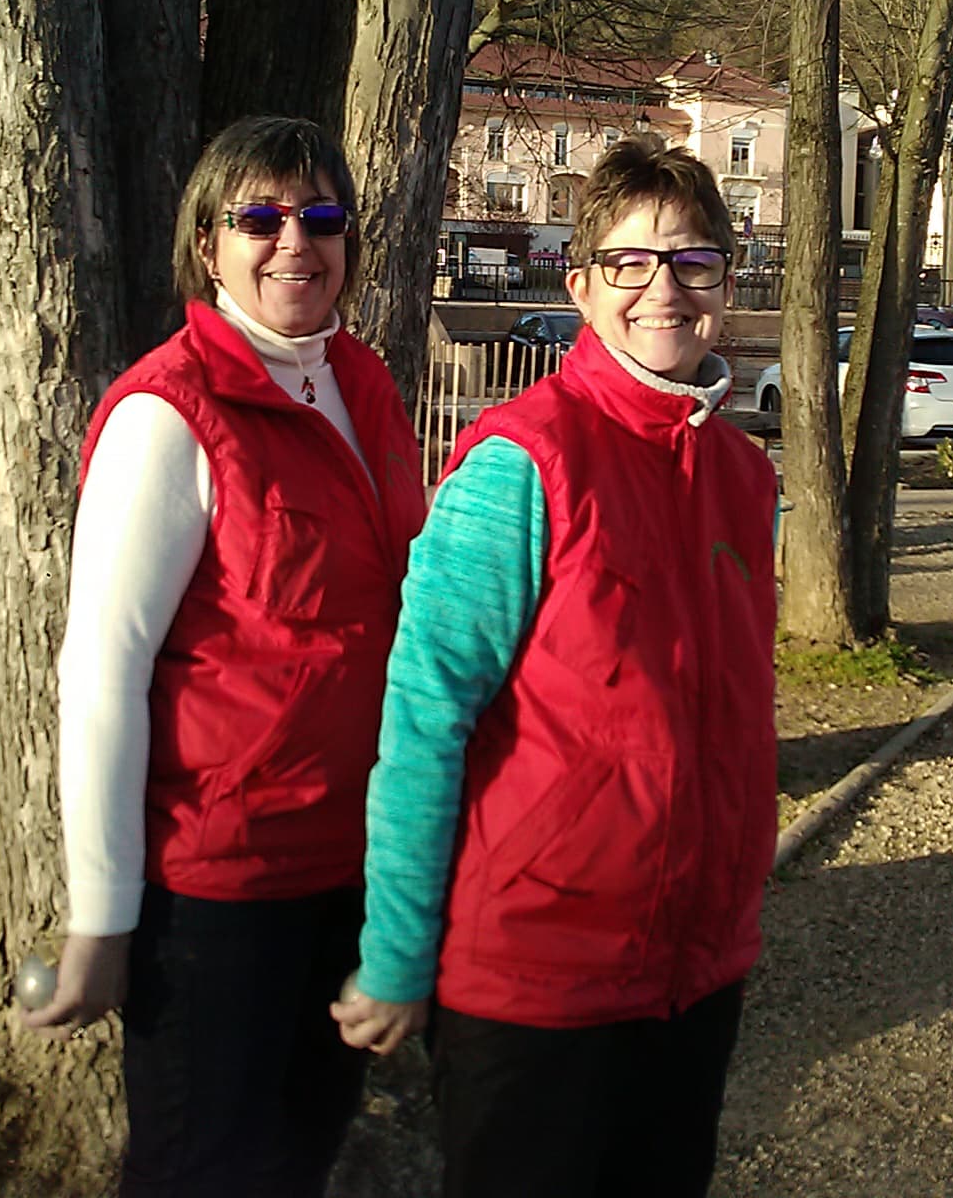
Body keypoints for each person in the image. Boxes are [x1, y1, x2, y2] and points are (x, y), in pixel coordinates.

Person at [333, 140, 780, 1197]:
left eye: (691, 262)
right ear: (580, 287)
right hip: (538, 978)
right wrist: (396, 957)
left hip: (695, 968)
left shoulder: (739, 473)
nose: (662, 290)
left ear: (726, 279)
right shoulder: (520, 462)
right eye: (629, 263)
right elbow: (425, 715)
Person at [21, 115, 427, 1197]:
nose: (295, 242)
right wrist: (101, 919)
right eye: (260, 217)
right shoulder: (170, 412)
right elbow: (103, 667)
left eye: (321, 217)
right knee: (203, 1173)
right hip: (220, 892)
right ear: (209, 245)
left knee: (301, 1154)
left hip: (350, 869)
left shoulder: (362, 383)